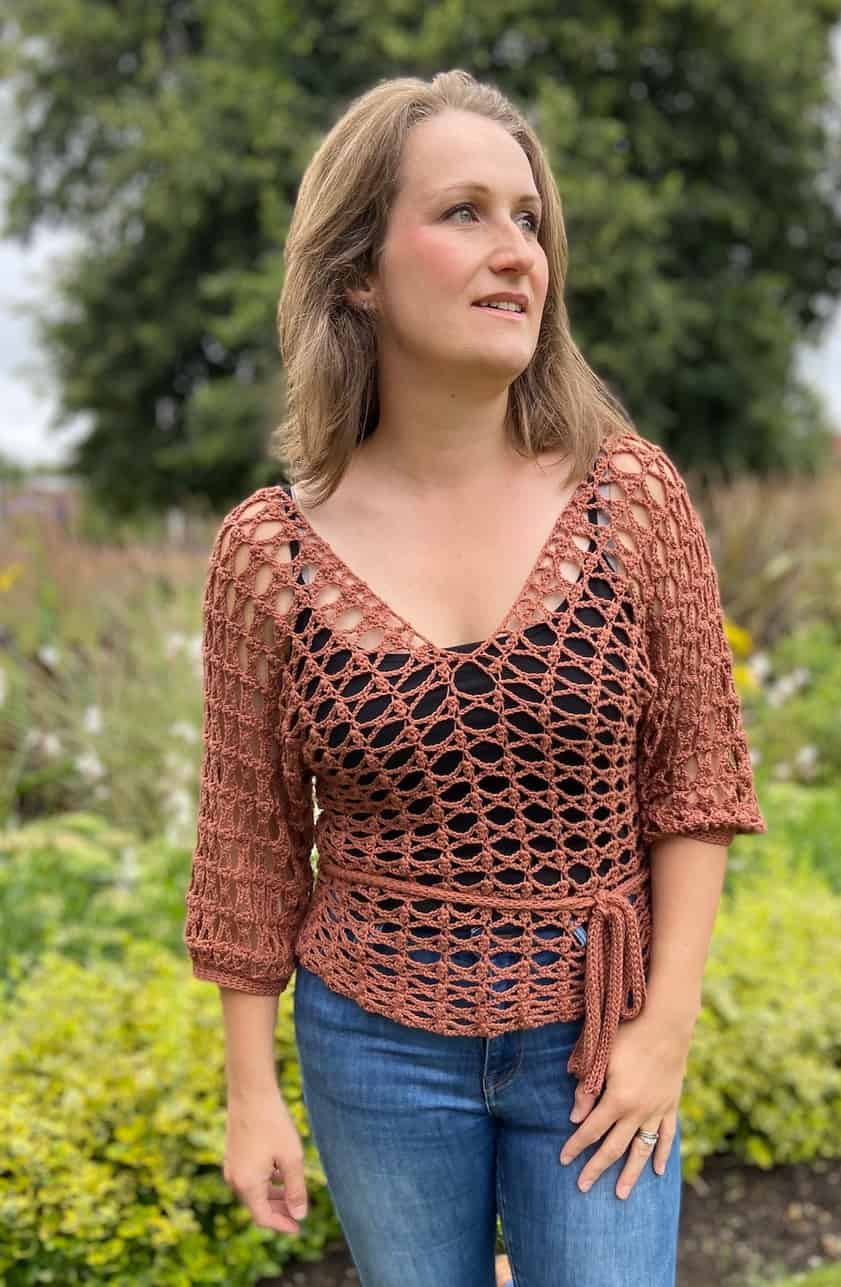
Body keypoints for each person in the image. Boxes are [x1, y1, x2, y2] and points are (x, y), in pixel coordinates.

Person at [183, 68, 766, 1287]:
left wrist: (665, 1032)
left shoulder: (629, 500)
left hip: (595, 1038)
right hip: (372, 1042)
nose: (517, 253)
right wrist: (253, 1097)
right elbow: (248, 843)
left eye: (529, 219)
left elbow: (697, 783)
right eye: (464, 214)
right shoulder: (271, 555)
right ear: (357, 270)